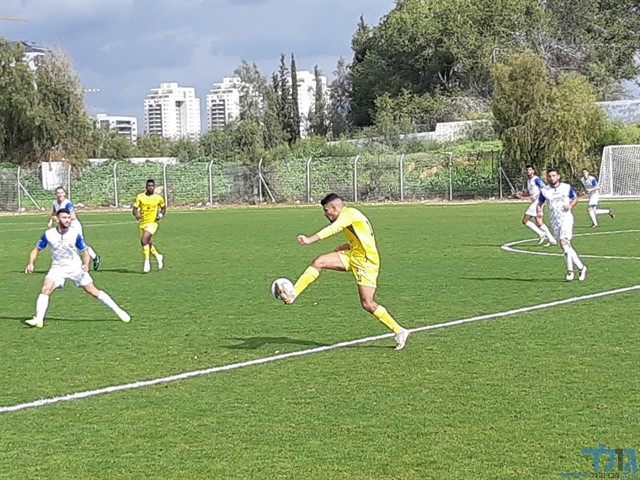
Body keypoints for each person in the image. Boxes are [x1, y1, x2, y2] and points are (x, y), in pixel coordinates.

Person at [274, 193, 410, 350]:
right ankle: (293, 294)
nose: (325, 214)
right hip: (354, 255)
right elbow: (363, 237)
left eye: (326, 210)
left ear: (334, 208)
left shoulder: (349, 214)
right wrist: (347, 246)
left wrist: (309, 239)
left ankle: (399, 331)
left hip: (366, 262)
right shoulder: (350, 215)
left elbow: (334, 229)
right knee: (319, 261)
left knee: (368, 304)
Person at [24, 208, 131, 328]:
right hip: (57, 268)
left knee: (92, 291)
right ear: (57, 219)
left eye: (69, 217)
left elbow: (85, 251)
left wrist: (86, 264)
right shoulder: (49, 234)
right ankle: (39, 319)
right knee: (46, 288)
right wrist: (31, 263)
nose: (67, 220)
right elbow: (36, 249)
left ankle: (119, 311)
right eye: (64, 218)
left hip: (75, 267)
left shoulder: (74, 234)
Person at [537, 168, 587, 282]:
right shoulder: (545, 190)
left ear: (558, 176)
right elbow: (540, 203)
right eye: (550, 176)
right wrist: (539, 211)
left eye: (554, 175)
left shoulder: (566, 187)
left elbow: (575, 198)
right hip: (555, 221)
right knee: (566, 247)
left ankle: (570, 270)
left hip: (566, 218)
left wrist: (570, 206)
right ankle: (581, 267)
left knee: (563, 242)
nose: (552, 178)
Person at [48, 186, 101, 270]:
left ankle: (94, 257)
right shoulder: (55, 203)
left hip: (74, 226)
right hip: (66, 227)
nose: (60, 194)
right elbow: (54, 213)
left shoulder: (67, 203)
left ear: (64, 193)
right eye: (58, 193)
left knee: (79, 245)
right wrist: (51, 221)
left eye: (61, 193)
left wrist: (59, 219)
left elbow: (73, 217)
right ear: (55, 194)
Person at [516, 165, 557, 246]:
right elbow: (531, 192)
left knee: (525, 220)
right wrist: (522, 194)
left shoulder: (536, 179)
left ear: (533, 171)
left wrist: (537, 196)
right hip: (536, 202)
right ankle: (552, 240)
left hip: (538, 202)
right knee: (539, 223)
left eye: (530, 170)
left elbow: (544, 188)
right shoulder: (529, 180)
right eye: (527, 170)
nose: (528, 171)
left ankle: (541, 234)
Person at [132, 179, 166, 273]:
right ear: (146, 187)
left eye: (152, 186)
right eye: (149, 186)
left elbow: (163, 208)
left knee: (143, 240)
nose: (150, 187)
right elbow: (134, 209)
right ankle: (158, 256)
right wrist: (136, 214)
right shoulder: (140, 197)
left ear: (154, 187)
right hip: (143, 223)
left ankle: (147, 262)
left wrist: (160, 215)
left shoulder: (158, 198)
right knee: (148, 243)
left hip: (153, 223)